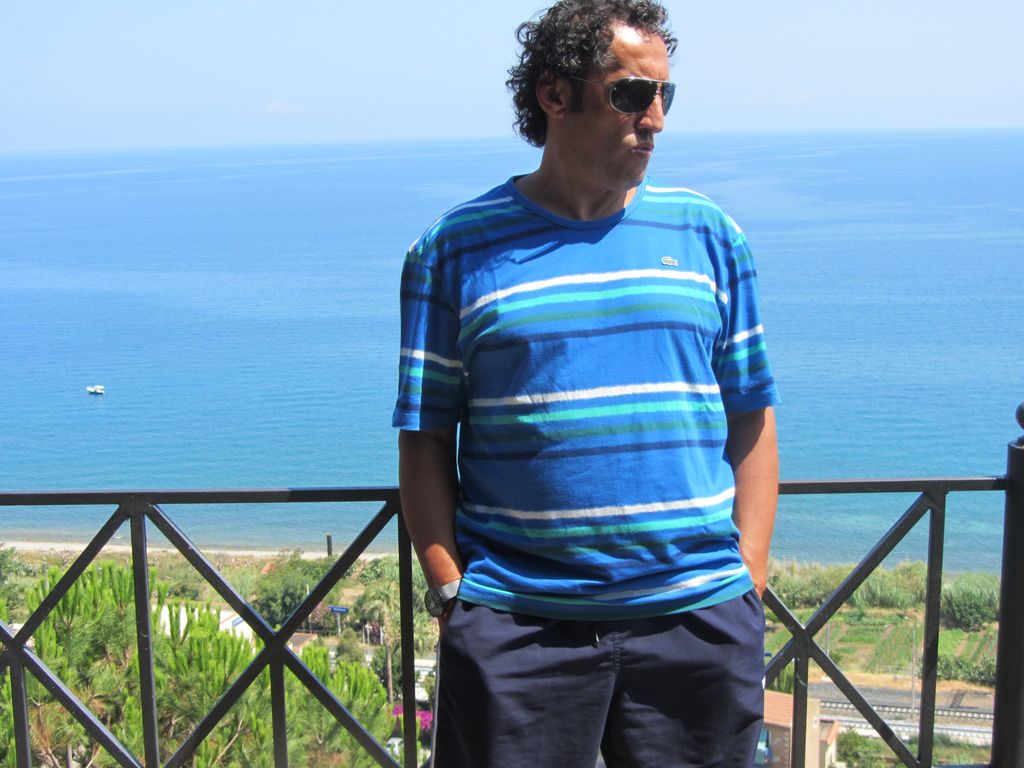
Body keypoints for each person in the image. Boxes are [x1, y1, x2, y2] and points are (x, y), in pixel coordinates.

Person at [393, 1, 779, 766]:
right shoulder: (453, 250)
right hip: (518, 626)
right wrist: (451, 592)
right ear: (555, 94)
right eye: (632, 93)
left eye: (666, 95)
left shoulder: (709, 235)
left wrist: (750, 579)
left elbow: (752, 416)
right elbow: (425, 435)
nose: (656, 118)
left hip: (698, 620)